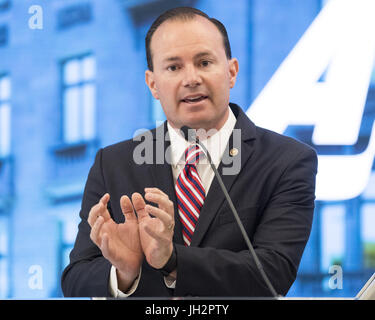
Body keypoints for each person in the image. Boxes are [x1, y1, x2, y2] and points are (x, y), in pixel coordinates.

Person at [61, 7, 317, 297]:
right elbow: (75, 277)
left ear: (231, 72)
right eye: (173, 67)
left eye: (205, 62)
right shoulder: (113, 163)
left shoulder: (287, 161)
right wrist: (125, 271)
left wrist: (171, 259)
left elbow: (274, 271)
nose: (191, 78)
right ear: (153, 84)